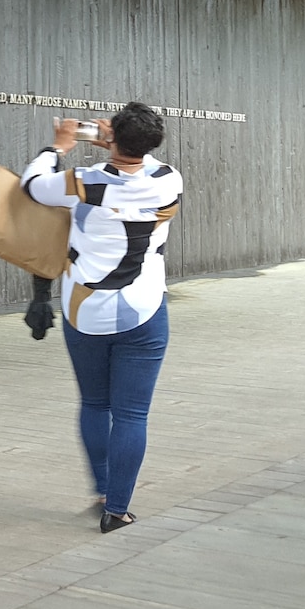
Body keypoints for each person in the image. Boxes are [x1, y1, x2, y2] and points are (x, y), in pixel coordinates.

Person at [18, 102, 182, 534]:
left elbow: (30, 186)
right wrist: (117, 140)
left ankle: (103, 490)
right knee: (132, 415)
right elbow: (134, 165)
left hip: (83, 310)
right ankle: (118, 510)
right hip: (143, 310)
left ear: (112, 139)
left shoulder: (82, 182)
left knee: (94, 403)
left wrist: (60, 146)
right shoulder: (168, 181)